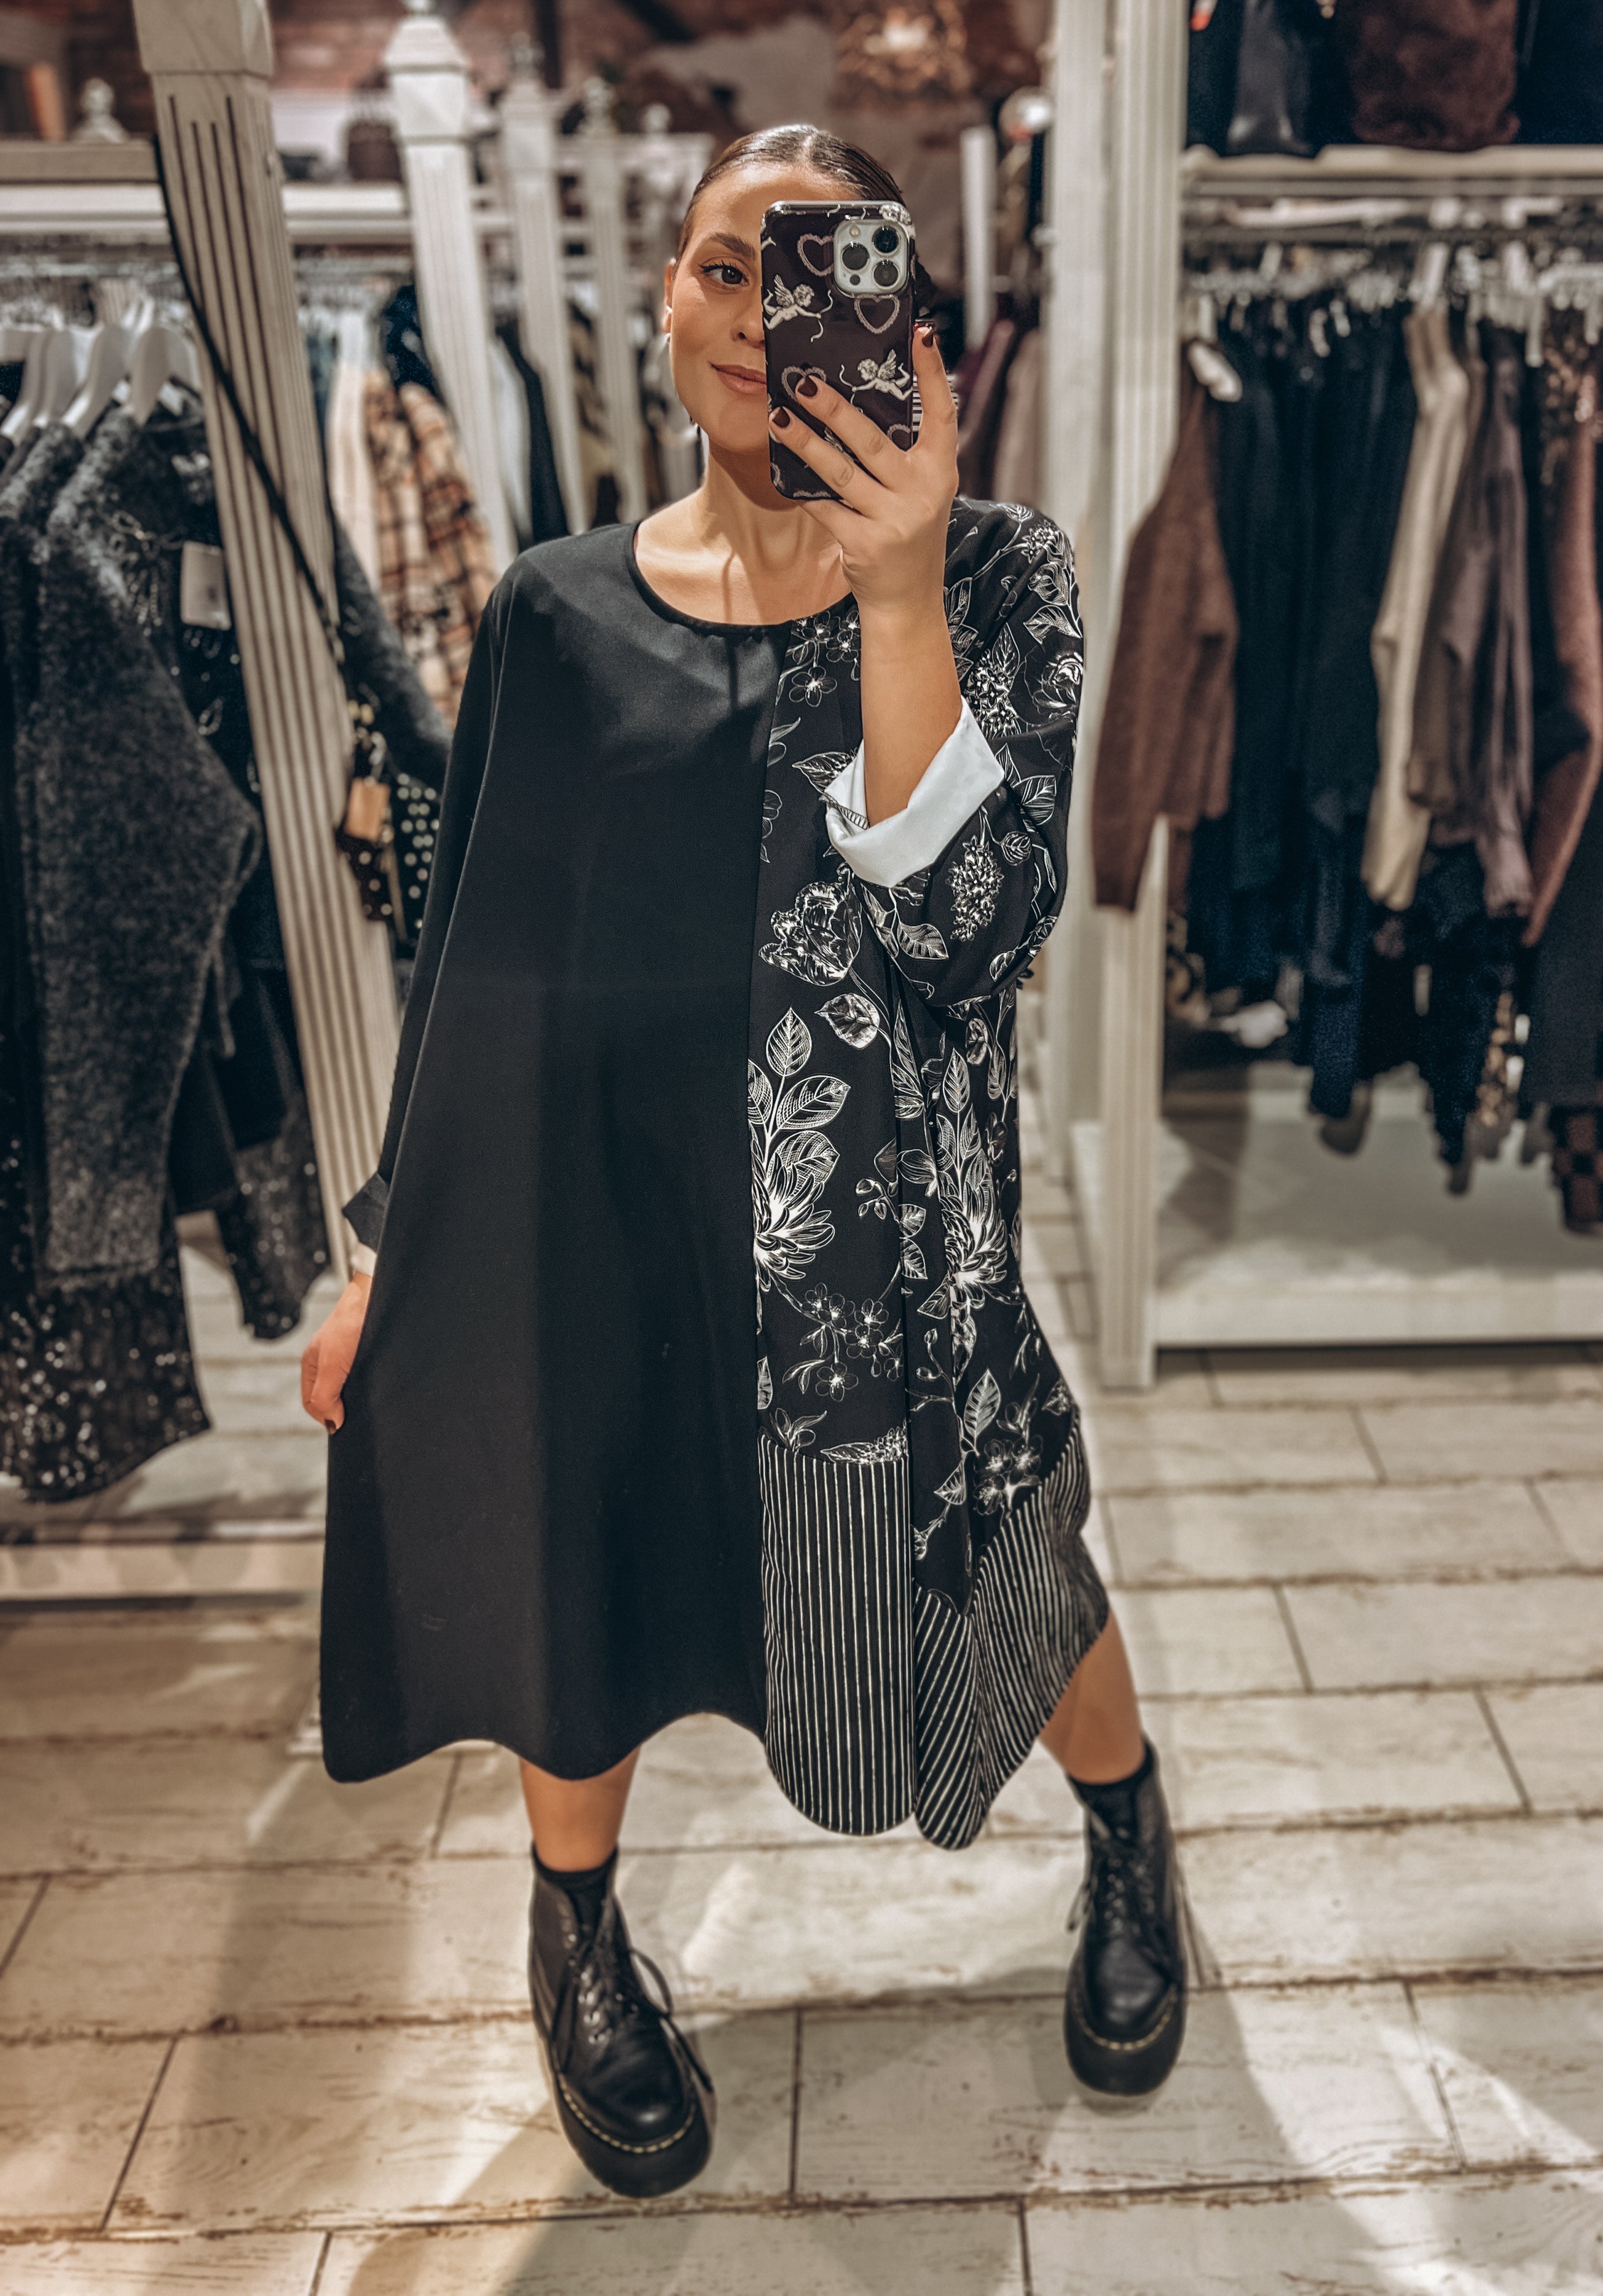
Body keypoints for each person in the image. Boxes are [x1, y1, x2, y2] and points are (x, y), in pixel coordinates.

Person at [302, 123, 1187, 2201]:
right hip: (599, 1221)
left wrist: (899, 590)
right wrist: (391, 1255)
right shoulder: (551, 611)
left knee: (1013, 1553)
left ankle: (1129, 1828)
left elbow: (972, 931)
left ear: (905, 329)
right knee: (588, 1560)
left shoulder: (1004, 582)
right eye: (723, 266)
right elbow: (477, 958)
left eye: (812, 272)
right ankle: (578, 1931)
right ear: (669, 304)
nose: (755, 313)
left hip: (897, 1245)